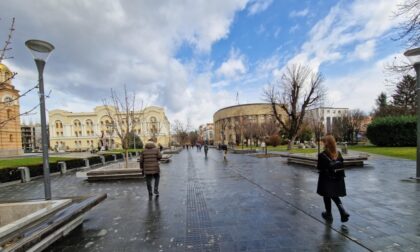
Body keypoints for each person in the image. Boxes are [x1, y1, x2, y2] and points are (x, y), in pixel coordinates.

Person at [316, 135, 350, 223]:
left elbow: (319, 167)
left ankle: (329, 214)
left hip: (326, 179)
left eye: (324, 142)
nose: (323, 143)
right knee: (334, 195)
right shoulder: (338, 153)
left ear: (326, 144)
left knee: (326, 195)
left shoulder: (322, 155)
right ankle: (342, 210)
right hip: (338, 179)